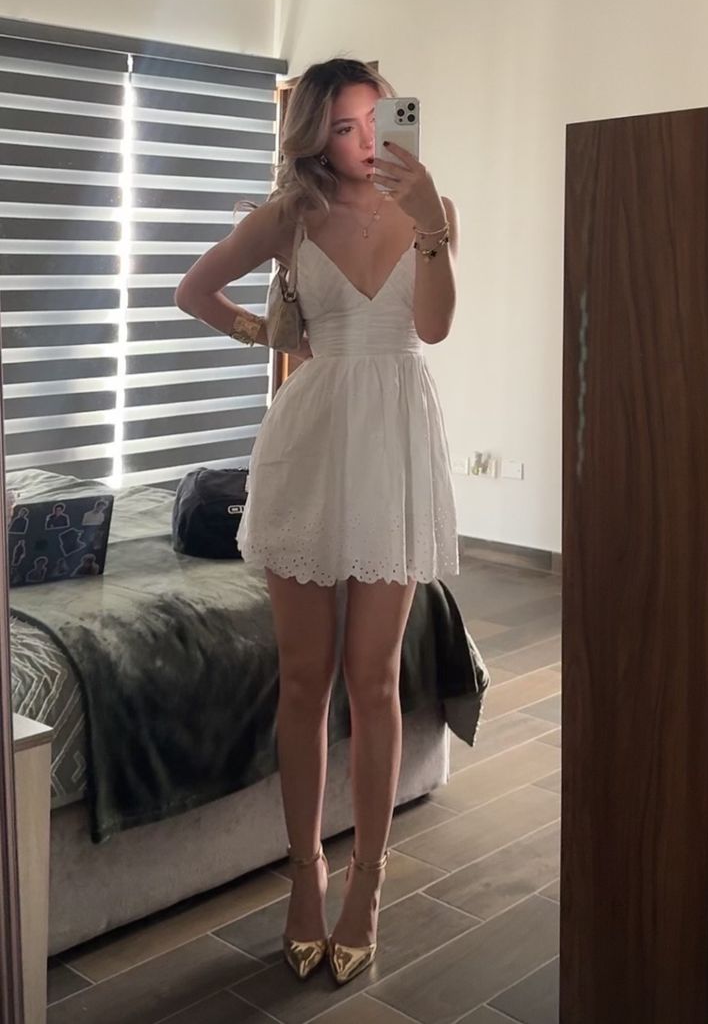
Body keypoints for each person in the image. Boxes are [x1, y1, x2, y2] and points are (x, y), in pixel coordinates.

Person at [175, 58, 459, 985]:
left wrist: (430, 225)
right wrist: (265, 334)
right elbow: (194, 289)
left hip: (395, 448)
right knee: (304, 678)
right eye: (344, 125)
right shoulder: (287, 217)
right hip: (309, 442)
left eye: (376, 117)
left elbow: (435, 328)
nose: (367, 139)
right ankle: (306, 873)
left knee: (374, 679)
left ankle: (367, 883)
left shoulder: (431, 209)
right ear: (314, 136)